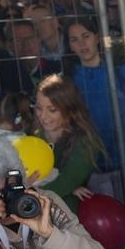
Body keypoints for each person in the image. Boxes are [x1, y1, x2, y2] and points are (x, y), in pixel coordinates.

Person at [55, 18, 125, 177]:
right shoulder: (67, 80)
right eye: (74, 40)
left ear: (97, 37)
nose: (81, 43)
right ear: (70, 46)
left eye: (85, 36)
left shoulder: (120, 70)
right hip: (90, 164)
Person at [31, 75, 105, 204]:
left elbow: (64, 184)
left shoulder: (84, 142)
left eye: (52, 110)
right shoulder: (33, 137)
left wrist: (29, 193)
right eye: (38, 108)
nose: (43, 116)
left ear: (70, 110)